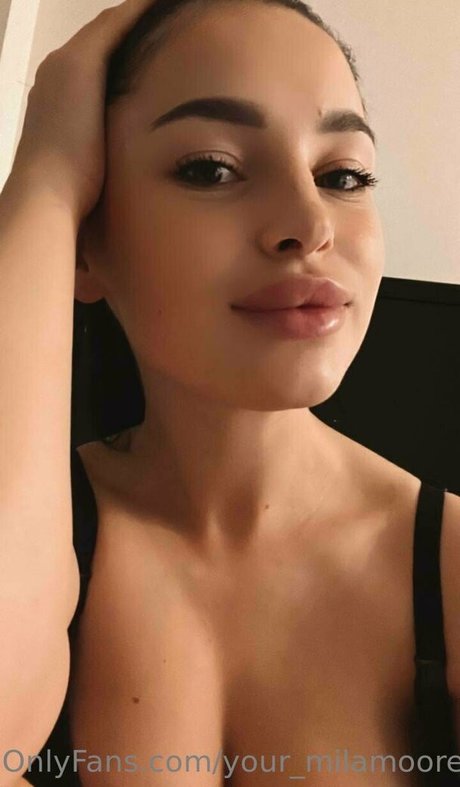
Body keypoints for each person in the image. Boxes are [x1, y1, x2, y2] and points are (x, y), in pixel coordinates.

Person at [1, 0, 459, 785]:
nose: (310, 221)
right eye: (212, 168)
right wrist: (43, 173)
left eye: (343, 175)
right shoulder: (39, 536)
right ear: (81, 245)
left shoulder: (447, 565)